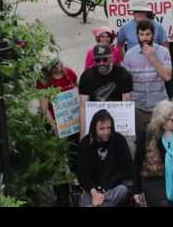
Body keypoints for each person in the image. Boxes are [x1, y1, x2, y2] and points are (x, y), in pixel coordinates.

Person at [133, 101, 173, 207]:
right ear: (162, 121)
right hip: (154, 180)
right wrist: (136, 190)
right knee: (165, 204)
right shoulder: (148, 133)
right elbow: (137, 162)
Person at [36, 56, 79, 206]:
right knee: (57, 161)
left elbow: (78, 93)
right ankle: (62, 195)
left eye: (58, 64)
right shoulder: (44, 81)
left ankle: (78, 186)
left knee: (75, 156)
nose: (57, 68)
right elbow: (44, 108)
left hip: (72, 124)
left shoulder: (70, 73)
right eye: (53, 67)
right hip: (56, 126)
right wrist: (55, 127)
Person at [123, 20, 172, 143]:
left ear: (153, 35)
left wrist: (153, 58)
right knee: (142, 143)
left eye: (148, 34)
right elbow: (126, 84)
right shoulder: (129, 55)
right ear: (137, 35)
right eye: (141, 34)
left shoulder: (163, 52)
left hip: (159, 106)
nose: (144, 38)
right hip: (139, 107)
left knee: (162, 142)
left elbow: (167, 77)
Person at [77, 109, 133, 207]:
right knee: (85, 199)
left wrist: (106, 187)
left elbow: (127, 168)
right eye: (102, 129)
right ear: (94, 128)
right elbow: (83, 174)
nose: (106, 132)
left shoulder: (119, 140)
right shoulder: (85, 144)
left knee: (122, 190)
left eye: (109, 128)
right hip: (91, 190)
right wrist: (94, 192)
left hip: (112, 188)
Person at [78, 44, 133, 138]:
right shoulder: (87, 76)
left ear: (111, 58)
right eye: (98, 60)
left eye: (105, 59)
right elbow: (83, 106)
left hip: (117, 120)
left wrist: (125, 134)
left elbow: (127, 104)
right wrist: (83, 135)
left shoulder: (123, 75)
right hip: (96, 121)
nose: (101, 63)